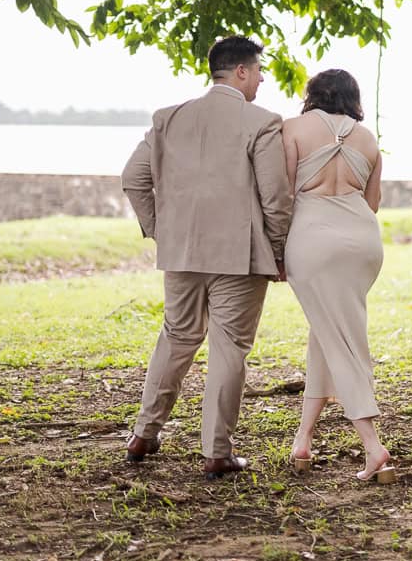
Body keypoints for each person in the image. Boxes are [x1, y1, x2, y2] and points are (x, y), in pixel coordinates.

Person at [120, 36, 293, 479]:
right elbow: (275, 198)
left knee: (176, 336)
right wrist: (278, 251)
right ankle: (217, 451)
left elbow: (133, 178)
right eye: (258, 70)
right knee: (229, 347)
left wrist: (163, 230)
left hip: (182, 251)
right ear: (240, 71)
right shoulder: (262, 121)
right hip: (240, 255)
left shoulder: (169, 118)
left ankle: (144, 433)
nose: (260, 78)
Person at [281, 68, 390, 481]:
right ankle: (303, 438)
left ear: (312, 95)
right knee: (327, 333)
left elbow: (284, 193)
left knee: (340, 339)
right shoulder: (368, 139)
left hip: (313, 239)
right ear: (353, 97)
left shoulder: (293, 128)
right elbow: (373, 201)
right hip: (363, 243)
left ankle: (373, 447)